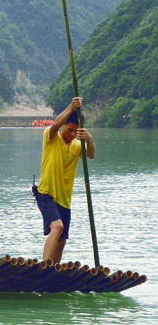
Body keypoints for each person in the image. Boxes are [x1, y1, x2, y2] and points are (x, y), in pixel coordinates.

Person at [35, 96, 95, 263]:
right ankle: (45, 267)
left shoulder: (77, 145)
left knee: (62, 239)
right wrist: (71, 106)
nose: (72, 133)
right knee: (57, 227)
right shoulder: (51, 137)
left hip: (64, 198)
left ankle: (55, 269)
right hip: (46, 192)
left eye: (76, 131)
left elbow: (91, 155)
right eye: (69, 129)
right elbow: (54, 125)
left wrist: (88, 139)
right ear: (63, 126)